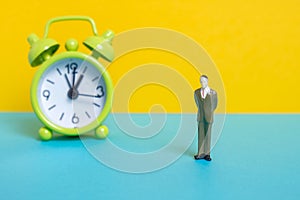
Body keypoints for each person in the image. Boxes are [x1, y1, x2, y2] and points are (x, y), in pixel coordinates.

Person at [194, 75, 218, 161]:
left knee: (208, 135)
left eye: (204, 81)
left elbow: (215, 105)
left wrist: (209, 112)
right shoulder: (196, 92)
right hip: (200, 116)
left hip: (209, 117)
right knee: (200, 135)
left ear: (207, 82)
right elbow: (197, 103)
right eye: (201, 81)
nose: (202, 83)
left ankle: (207, 154)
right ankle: (200, 153)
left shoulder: (213, 93)